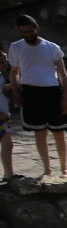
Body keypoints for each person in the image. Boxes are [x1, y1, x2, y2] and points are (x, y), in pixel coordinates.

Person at [8, 15, 67, 178]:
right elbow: (14, 72)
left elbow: (63, 74)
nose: (28, 35)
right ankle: (47, 169)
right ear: (19, 31)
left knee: (59, 132)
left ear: (37, 28)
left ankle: (64, 168)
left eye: (30, 31)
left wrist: (66, 97)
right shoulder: (16, 47)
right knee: (40, 132)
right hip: (30, 91)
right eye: (24, 32)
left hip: (52, 91)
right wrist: (15, 92)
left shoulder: (52, 47)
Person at [0, 48, 14, 182]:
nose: (6, 64)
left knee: (8, 145)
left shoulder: (2, 76)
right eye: (2, 62)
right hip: (2, 115)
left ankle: (9, 174)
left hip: (5, 117)